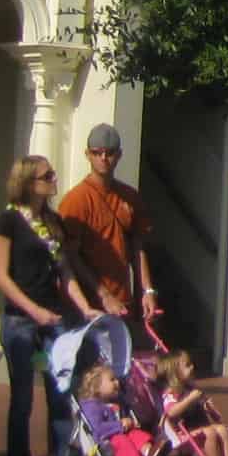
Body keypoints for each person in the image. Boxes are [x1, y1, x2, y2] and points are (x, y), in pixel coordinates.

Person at [0, 155, 103, 456]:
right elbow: (2, 277)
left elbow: (65, 271)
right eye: (46, 176)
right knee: (22, 399)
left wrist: (85, 308)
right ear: (29, 183)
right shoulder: (9, 221)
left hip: (54, 321)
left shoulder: (52, 222)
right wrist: (34, 311)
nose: (53, 180)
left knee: (60, 396)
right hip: (21, 320)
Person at [57, 124, 158, 332]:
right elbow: (70, 256)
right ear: (88, 155)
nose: (103, 158)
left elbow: (138, 248)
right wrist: (104, 295)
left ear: (119, 155)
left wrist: (147, 290)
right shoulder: (75, 200)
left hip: (121, 302)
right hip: (86, 305)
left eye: (109, 153)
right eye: (97, 153)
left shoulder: (130, 196)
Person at [157, 349, 228, 456]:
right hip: (182, 435)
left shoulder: (191, 390)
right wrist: (190, 399)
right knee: (210, 432)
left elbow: (215, 417)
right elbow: (171, 412)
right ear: (175, 373)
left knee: (222, 429)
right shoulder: (170, 395)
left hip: (197, 428)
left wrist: (209, 409)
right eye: (187, 365)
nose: (192, 367)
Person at [73, 362, 155, 456]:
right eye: (112, 380)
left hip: (117, 439)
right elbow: (97, 429)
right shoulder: (91, 406)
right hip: (101, 445)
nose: (117, 382)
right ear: (96, 387)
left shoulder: (114, 403)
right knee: (120, 440)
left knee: (134, 434)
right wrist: (120, 425)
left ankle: (150, 454)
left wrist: (129, 423)